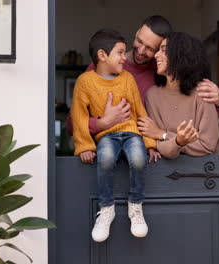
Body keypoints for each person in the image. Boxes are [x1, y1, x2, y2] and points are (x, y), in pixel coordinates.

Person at [68, 15, 219, 143]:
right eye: (139, 41)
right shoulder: (102, 66)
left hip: (151, 159)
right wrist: (102, 123)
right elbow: (70, 125)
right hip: (105, 156)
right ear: (137, 33)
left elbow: (192, 115)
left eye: (150, 48)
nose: (141, 51)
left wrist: (218, 103)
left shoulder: (163, 73)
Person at [71, 29, 159, 242]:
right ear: (102, 55)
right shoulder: (85, 82)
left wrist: (149, 142)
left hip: (130, 133)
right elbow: (78, 116)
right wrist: (85, 147)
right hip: (107, 136)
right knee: (106, 158)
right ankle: (106, 208)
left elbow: (139, 109)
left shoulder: (127, 78)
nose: (124, 57)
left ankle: (135, 206)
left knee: (138, 159)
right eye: (120, 52)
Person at [144, 32, 219, 158]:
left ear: (180, 56)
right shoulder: (152, 95)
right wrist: (178, 140)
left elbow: (208, 146)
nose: (156, 55)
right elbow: (160, 147)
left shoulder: (203, 92)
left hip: (203, 173)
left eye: (163, 50)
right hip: (163, 174)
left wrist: (164, 135)